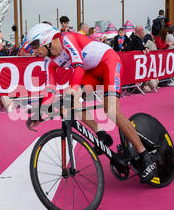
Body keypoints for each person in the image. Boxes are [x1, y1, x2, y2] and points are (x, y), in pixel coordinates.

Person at [26, 23, 158, 185]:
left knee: (110, 110)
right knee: (68, 103)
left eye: (34, 45)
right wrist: (39, 113)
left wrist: (74, 89)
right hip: (92, 73)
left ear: (46, 39)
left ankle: (145, 155)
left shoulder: (67, 40)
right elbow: (49, 91)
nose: (33, 51)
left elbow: (79, 67)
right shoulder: (48, 62)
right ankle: (101, 134)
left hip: (108, 62)